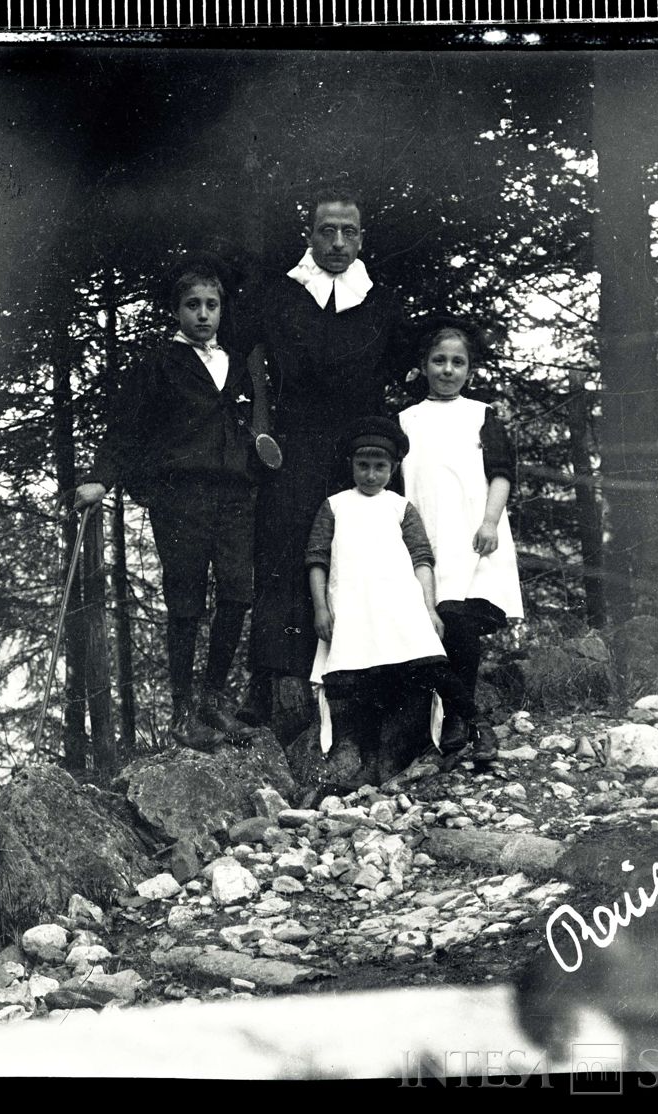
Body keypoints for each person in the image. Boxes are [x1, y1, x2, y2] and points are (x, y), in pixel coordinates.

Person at [235, 188, 412, 727]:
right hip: (293, 447)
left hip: (357, 452)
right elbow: (250, 358)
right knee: (282, 554)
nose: (338, 243)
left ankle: (355, 683)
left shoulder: (381, 300)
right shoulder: (279, 295)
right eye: (327, 231)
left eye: (349, 232)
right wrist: (263, 429)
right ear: (309, 236)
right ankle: (267, 686)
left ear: (362, 237)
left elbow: (402, 375)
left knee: (359, 555)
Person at [72, 256, 260, 752]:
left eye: (212, 305)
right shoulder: (158, 366)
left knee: (238, 593)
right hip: (182, 499)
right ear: (175, 311)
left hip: (236, 496)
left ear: (222, 311)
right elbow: (126, 429)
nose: (203, 314)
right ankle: (181, 713)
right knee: (185, 601)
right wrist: (100, 480)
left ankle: (213, 701)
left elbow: (258, 425)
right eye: (192, 305)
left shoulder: (238, 365)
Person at [305, 417, 480, 786]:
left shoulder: (401, 508)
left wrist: (429, 609)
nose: (371, 475)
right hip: (355, 609)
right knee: (365, 685)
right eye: (363, 466)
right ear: (351, 465)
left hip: (400, 606)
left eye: (380, 467)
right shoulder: (334, 506)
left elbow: (422, 560)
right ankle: (371, 762)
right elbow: (317, 559)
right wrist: (321, 608)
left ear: (393, 468)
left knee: (431, 666)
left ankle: (477, 727)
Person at [397, 322, 524, 757]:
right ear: (423, 366)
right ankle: (468, 719)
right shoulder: (405, 421)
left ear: (469, 370)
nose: (448, 370)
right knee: (436, 619)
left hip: (474, 537)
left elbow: (501, 474)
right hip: (428, 539)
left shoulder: (481, 414)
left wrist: (489, 522)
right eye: (439, 360)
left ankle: (455, 720)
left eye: (458, 362)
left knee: (461, 618)